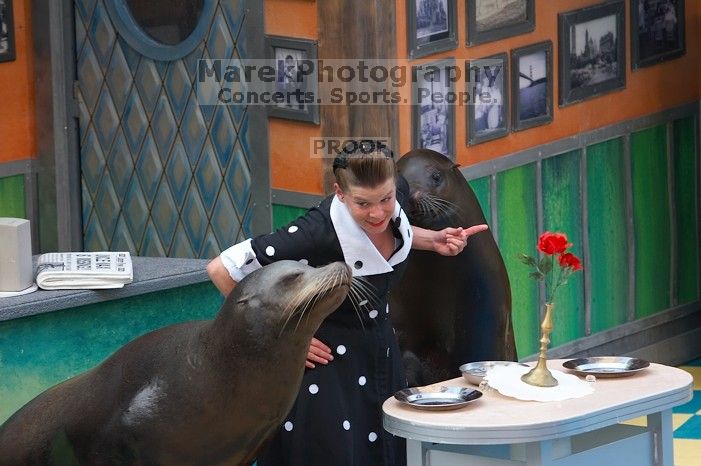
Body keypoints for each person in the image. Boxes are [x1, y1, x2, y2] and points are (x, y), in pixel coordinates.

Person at [207, 141, 488, 466]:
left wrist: (433, 240)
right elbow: (222, 269)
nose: (378, 212)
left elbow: (395, 226)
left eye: (385, 199)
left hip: (382, 359)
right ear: (340, 193)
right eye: (363, 204)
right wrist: (281, 333)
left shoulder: (395, 191)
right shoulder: (315, 231)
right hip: (327, 379)